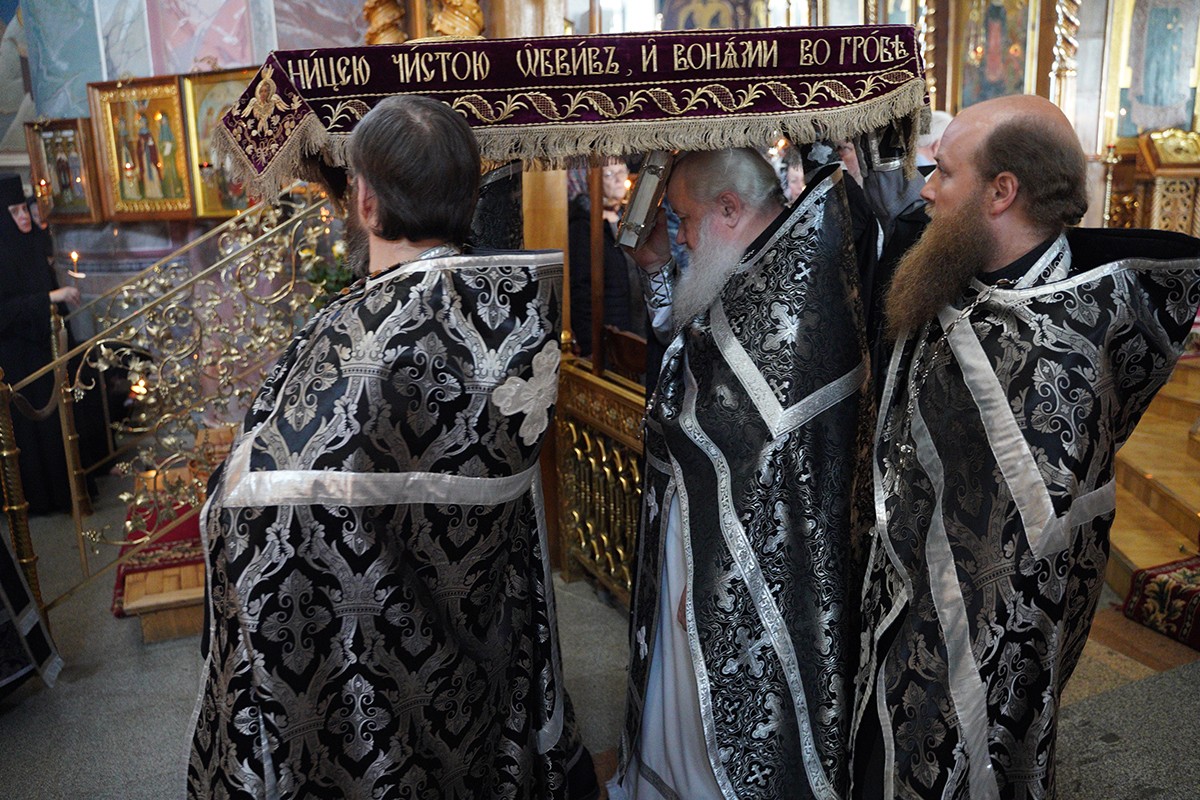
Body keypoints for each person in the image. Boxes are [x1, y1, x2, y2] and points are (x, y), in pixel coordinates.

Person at [187, 95, 599, 800]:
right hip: (480, 659)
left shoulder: (358, 340)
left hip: (365, 689)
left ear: (367, 203)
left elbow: (252, 507)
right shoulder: (513, 318)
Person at [854, 94, 1200, 799]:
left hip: (985, 630)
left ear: (1001, 191)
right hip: (893, 594)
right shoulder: (952, 274)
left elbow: (1025, 555)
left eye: (945, 172)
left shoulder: (1069, 343)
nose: (926, 190)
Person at [610, 148, 873, 799]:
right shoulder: (751, 263)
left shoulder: (790, 285)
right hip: (693, 526)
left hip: (738, 561)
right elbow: (689, 350)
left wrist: (712, 578)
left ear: (729, 208)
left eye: (685, 219)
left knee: (717, 729)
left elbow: (762, 466)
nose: (681, 236)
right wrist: (656, 270)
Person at [0, 173, 81, 515]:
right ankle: (42, 499)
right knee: (31, 431)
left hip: (44, 347)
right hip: (17, 357)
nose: (24, 217)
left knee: (56, 424)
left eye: (24, 209)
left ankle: (67, 493)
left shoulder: (31, 243)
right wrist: (50, 297)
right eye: (15, 212)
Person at [568, 160, 645, 356]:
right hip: (607, 336)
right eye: (610, 174)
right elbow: (580, 289)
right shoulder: (584, 225)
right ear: (593, 180)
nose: (619, 179)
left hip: (636, 327)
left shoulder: (628, 219)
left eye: (622, 172)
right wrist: (589, 345)